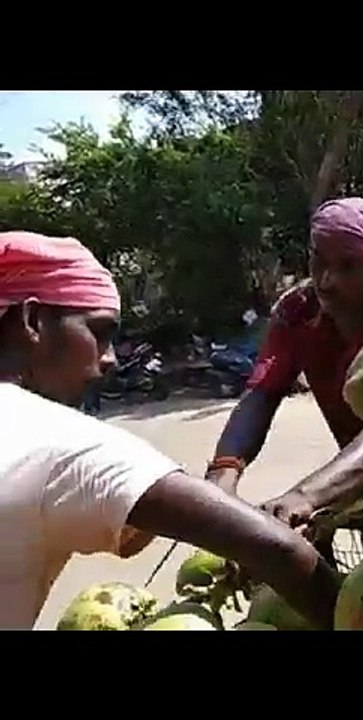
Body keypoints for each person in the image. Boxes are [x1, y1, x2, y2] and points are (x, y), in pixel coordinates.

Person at [0, 230, 340, 630]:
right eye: (100, 333)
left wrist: (194, 493)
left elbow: (130, 527)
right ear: (33, 321)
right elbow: (278, 552)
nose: (109, 359)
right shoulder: (59, 441)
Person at [205, 197, 363, 564]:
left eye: (348, 267)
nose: (327, 281)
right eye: (319, 262)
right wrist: (223, 473)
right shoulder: (299, 311)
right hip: (359, 486)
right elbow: (262, 392)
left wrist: (307, 496)